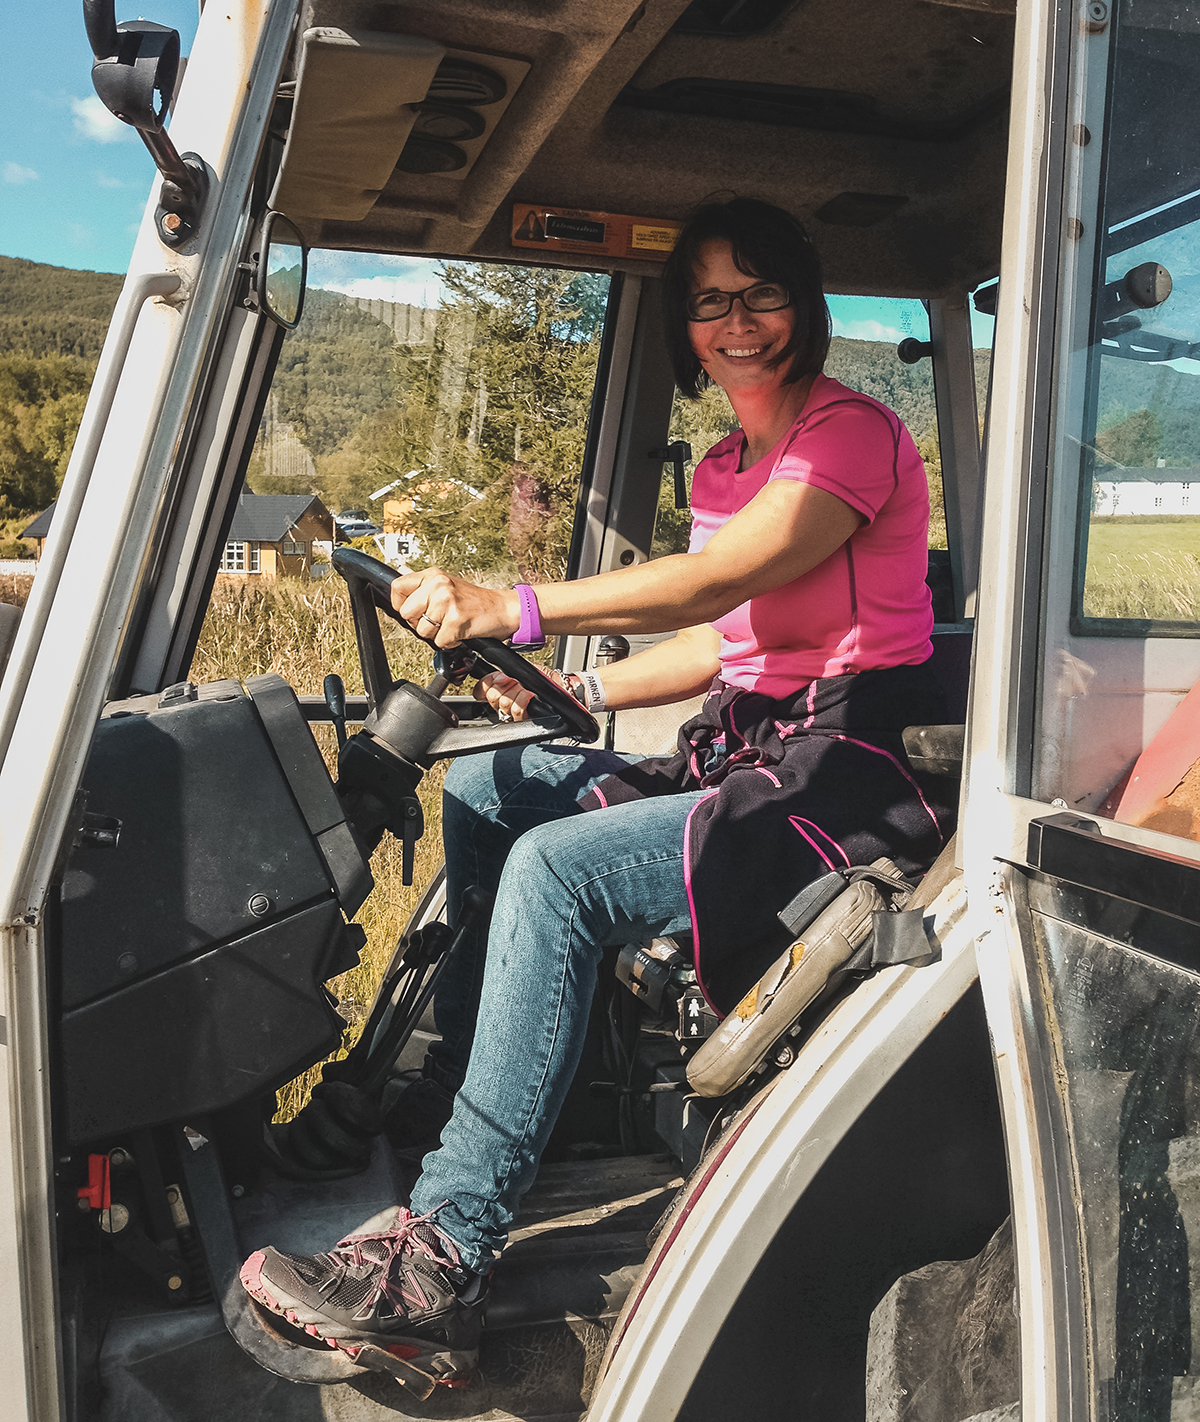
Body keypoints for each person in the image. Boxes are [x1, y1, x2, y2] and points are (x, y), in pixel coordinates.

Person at [239, 197, 953, 1385]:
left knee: (557, 869)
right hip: (752, 742)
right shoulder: (726, 461)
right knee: (497, 788)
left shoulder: (852, 435)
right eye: (711, 299)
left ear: (804, 307)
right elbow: (728, 645)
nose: (737, 322)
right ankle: (498, 1089)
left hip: (846, 773)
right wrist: (580, 681)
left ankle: (442, 1256)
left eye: (761, 293)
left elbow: (718, 578)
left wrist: (511, 605)